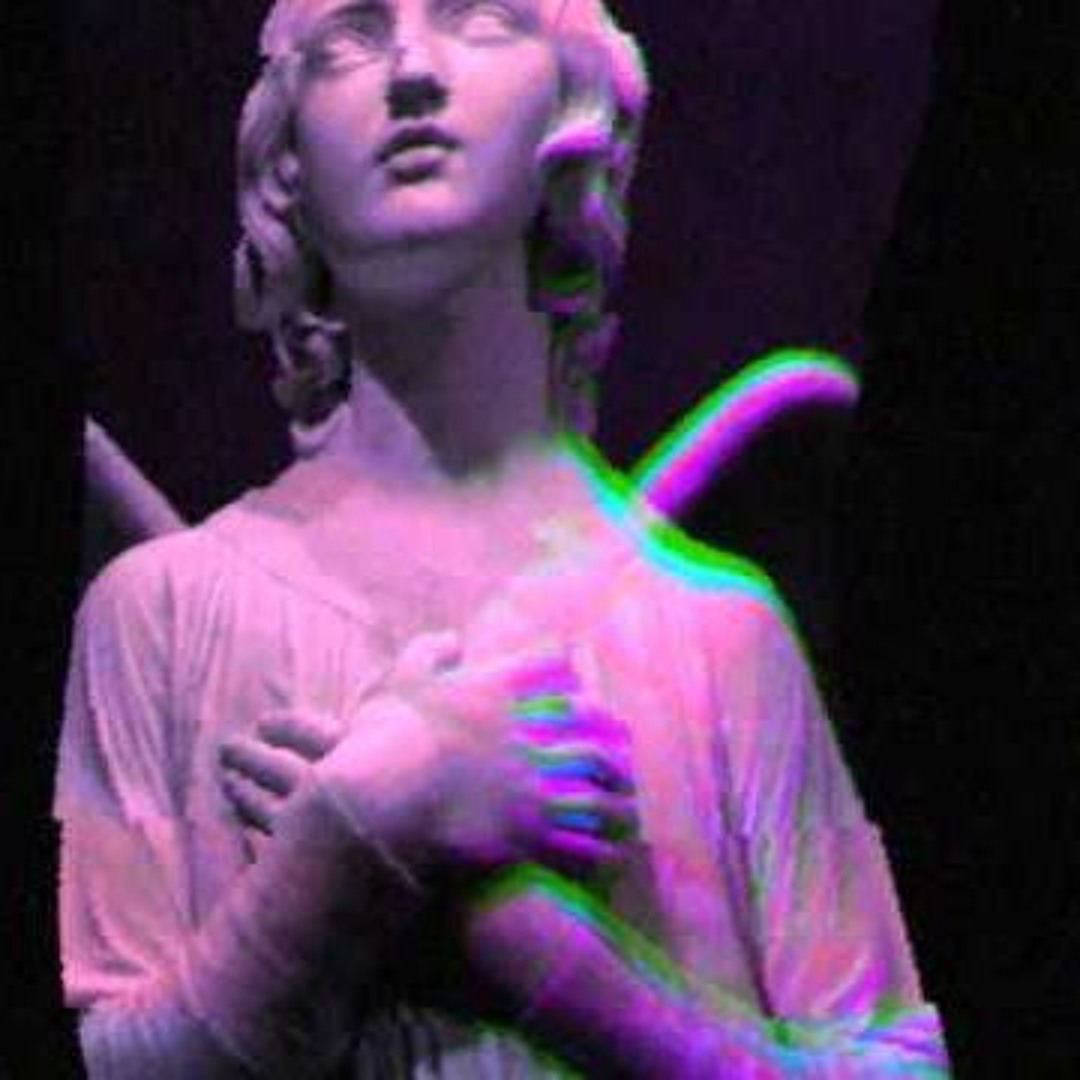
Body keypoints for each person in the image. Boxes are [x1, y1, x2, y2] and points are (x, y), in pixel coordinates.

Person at [54, 0, 950, 1074]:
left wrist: (527, 954)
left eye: (479, 18)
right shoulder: (158, 612)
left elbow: (893, 1062)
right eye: (351, 36)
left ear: (572, 114)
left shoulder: (716, 632)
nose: (411, 69)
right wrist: (353, 831)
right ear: (285, 164)